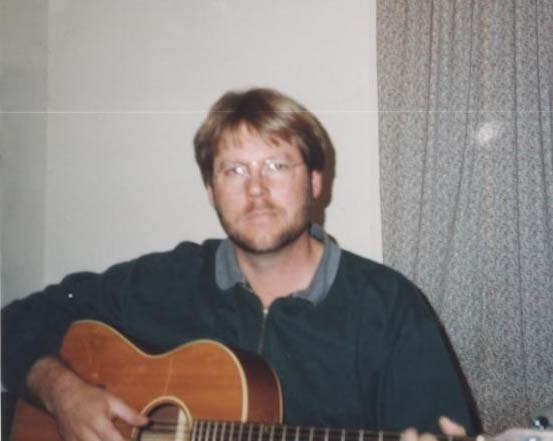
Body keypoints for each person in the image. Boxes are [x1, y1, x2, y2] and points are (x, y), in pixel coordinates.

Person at [2, 88, 480, 441]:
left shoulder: (390, 308)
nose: (256, 190)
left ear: (315, 181)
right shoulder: (166, 281)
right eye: (234, 170)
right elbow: (13, 323)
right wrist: (62, 393)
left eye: (277, 166)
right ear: (211, 191)